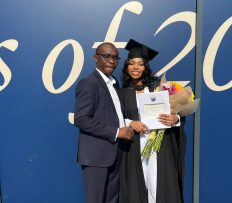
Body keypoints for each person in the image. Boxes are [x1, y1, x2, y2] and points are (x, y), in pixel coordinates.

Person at [118, 39, 186, 203]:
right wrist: (130, 123)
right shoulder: (121, 93)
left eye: (140, 64)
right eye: (131, 63)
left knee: (159, 186)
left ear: (145, 67)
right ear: (126, 67)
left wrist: (175, 118)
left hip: (159, 145)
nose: (136, 68)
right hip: (134, 146)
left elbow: (180, 113)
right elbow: (115, 118)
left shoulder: (159, 88)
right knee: (137, 187)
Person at [74, 42, 133, 203]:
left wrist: (128, 125)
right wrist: (116, 132)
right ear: (95, 58)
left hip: (116, 153)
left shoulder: (114, 84)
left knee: (112, 199)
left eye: (115, 58)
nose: (111, 61)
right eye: (106, 56)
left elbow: (113, 116)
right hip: (96, 156)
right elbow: (81, 119)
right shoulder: (89, 83)